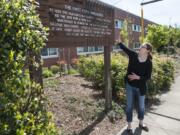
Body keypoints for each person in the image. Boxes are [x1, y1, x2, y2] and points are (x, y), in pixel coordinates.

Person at [118, 41, 153, 134]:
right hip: (130, 86)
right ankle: (129, 126)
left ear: (147, 51)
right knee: (129, 106)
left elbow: (148, 76)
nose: (140, 47)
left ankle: (141, 123)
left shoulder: (149, 63)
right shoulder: (133, 55)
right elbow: (125, 49)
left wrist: (138, 77)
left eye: (143, 47)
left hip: (141, 87)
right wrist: (119, 42)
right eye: (141, 46)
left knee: (141, 107)